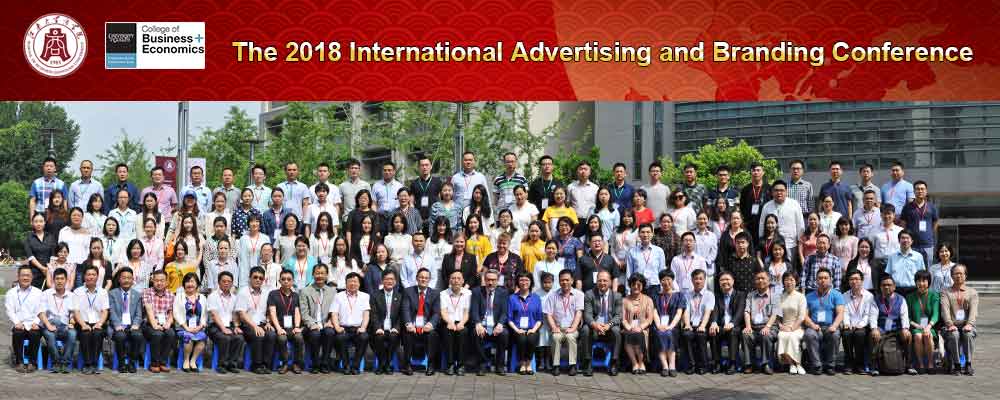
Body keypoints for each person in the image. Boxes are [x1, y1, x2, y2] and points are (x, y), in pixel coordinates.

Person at [803, 268, 845, 375]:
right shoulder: (809, 296)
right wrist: (812, 325)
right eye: (820, 278)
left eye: (826, 278)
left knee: (835, 335)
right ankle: (817, 365)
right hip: (814, 326)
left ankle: (830, 365)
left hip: (830, 326)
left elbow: (840, 313)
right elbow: (804, 315)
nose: (823, 280)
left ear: (830, 280)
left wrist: (834, 325)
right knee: (809, 334)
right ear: (816, 280)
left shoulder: (837, 295)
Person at [579, 270, 621, 376]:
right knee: (585, 329)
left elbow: (618, 316)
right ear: (596, 281)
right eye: (600, 280)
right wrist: (595, 325)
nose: (602, 283)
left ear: (610, 282)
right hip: (594, 329)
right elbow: (587, 315)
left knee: (616, 330)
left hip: (609, 329)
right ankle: (587, 362)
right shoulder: (589, 294)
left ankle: (614, 362)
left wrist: (608, 325)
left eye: (605, 281)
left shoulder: (617, 296)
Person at [544, 269, 585, 376]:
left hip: (572, 327)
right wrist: (554, 327)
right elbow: (548, 314)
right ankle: (555, 365)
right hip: (558, 327)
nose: (565, 282)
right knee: (555, 337)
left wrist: (573, 328)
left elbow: (579, 313)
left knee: (570, 337)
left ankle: (572, 365)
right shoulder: (552, 295)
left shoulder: (579, 295)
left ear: (572, 280)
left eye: (567, 280)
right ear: (559, 281)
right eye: (562, 280)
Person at [873, 275, 916, 375]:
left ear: (894, 286)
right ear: (880, 287)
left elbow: (904, 316)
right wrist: (874, 328)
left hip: (897, 329)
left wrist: (905, 328)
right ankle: (875, 367)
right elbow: (873, 316)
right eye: (884, 285)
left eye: (889, 285)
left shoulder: (901, 299)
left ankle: (909, 365)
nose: (886, 287)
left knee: (908, 335)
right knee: (873, 335)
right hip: (882, 328)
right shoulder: (875, 299)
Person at [236, 267, 276, 374]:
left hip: (263, 323)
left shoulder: (267, 292)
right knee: (258, 334)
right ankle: (256, 365)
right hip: (248, 324)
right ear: (250, 278)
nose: (258, 280)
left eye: (261, 278)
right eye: (255, 277)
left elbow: (269, 310)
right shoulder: (243, 292)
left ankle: (266, 365)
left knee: (271, 335)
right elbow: (242, 314)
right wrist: (255, 326)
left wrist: (268, 322)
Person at [401, 268, 440, 375]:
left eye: (426, 278)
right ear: (417, 278)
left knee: (432, 334)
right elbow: (405, 309)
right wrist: (408, 323)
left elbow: (436, 313)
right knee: (407, 333)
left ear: (429, 280)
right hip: (412, 326)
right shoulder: (408, 291)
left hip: (426, 326)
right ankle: (407, 364)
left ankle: (431, 365)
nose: (423, 279)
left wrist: (430, 324)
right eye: (421, 277)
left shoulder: (435, 293)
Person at [470, 269, 510, 375]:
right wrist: (478, 323)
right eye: (488, 280)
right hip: (482, 325)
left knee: (504, 334)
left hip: (496, 325)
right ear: (484, 279)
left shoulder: (503, 292)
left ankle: (499, 365)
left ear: (498, 280)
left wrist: (500, 324)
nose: (490, 283)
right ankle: (482, 364)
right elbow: (474, 310)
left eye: (493, 280)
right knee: (475, 333)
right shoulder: (477, 291)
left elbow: (505, 312)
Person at [940, 264, 977, 376]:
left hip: (966, 325)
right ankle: (956, 365)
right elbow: (945, 310)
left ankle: (968, 364)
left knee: (968, 334)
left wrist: (969, 324)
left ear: (965, 276)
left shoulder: (972, 292)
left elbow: (973, 311)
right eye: (956, 273)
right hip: (951, 325)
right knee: (954, 334)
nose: (958, 276)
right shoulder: (945, 292)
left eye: (961, 273)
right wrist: (950, 324)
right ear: (951, 276)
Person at [39, 267, 77, 373]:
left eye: (62, 279)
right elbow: (41, 312)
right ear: (53, 280)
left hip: (64, 326)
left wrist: (72, 322)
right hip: (49, 325)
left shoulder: (71, 295)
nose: (59, 281)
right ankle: (56, 362)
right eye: (57, 279)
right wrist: (48, 325)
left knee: (73, 334)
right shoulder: (46, 294)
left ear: (66, 280)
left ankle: (65, 363)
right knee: (50, 334)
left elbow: (73, 313)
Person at [331, 272, 370, 375]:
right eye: (350, 281)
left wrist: (363, 327)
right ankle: (346, 365)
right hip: (343, 328)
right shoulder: (338, 296)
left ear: (359, 283)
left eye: (355, 281)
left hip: (358, 328)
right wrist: (337, 327)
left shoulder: (365, 296)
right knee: (339, 338)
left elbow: (366, 313)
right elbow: (334, 313)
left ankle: (356, 366)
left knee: (364, 337)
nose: (353, 284)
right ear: (346, 283)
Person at [7, 265, 44, 373]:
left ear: (32, 277)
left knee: (35, 333)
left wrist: (36, 322)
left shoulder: (38, 292)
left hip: (33, 324)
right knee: (17, 333)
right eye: (23, 275)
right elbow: (10, 310)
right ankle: (19, 362)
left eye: (28, 275)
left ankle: (32, 363)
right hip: (19, 324)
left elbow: (41, 309)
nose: (25, 278)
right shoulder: (11, 293)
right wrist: (17, 322)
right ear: (18, 276)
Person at [299, 264, 336, 374]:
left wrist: (330, 321)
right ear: (313, 274)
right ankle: (315, 364)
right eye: (317, 273)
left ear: (327, 275)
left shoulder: (333, 291)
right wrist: (312, 324)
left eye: (322, 273)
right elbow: (304, 313)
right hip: (311, 325)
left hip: (326, 323)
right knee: (315, 334)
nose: (320, 276)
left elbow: (335, 311)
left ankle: (325, 363)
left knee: (330, 332)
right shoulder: (305, 291)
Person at [742, 270, 780, 374]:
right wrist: (748, 326)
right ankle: (749, 364)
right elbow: (747, 311)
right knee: (746, 334)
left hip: (770, 327)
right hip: (754, 327)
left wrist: (767, 327)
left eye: (763, 278)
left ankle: (765, 364)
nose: (760, 280)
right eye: (757, 278)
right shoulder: (750, 295)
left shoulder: (775, 296)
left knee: (765, 335)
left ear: (769, 281)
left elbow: (775, 314)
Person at [73, 265, 109, 374]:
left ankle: (94, 364)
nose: (91, 277)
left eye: (93, 274)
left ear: (97, 277)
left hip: (98, 322)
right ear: (84, 276)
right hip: (82, 322)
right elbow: (76, 311)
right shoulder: (78, 291)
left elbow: (105, 311)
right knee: (85, 334)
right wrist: (83, 324)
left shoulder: (103, 292)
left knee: (97, 334)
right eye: (88, 274)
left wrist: (100, 323)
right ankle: (87, 364)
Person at [268, 269, 305, 374]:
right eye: (283, 279)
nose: (286, 281)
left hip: (292, 327)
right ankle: (284, 363)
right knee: (282, 338)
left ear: (293, 281)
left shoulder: (296, 295)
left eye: (289, 279)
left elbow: (297, 312)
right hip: (279, 327)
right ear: (279, 281)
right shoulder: (273, 294)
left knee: (299, 337)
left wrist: (297, 326)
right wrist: (279, 328)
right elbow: (272, 313)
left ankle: (296, 364)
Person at [206, 271, 244, 374]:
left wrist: (236, 326)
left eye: (229, 281)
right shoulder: (212, 296)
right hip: (215, 326)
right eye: (224, 281)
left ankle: (232, 364)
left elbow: (235, 314)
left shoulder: (234, 298)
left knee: (239, 337)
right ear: (219, 282)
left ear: (232, 283)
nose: (226, 283)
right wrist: (223, 328)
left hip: (229, 326)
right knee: (225, 338)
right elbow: (214, 315)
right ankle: (221, 365)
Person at [841, 269, 877, 375]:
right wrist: (847, 323)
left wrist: (860, 325)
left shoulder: (869, 296)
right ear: (848, 281)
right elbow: (844, 312)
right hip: (849, 324)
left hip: (863, 325)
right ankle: (849, 363)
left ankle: (859, 364)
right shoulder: (844, 295)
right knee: (846, 334)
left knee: (859, 334)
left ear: (862, 280)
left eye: (857, 279)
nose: (854, 281)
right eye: (851, 279)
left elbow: (868, 314)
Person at [758, 180, 805, 260]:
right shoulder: (767, 206)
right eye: (776, 190)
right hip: (771, 246)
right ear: (772, 192)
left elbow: (800, 224)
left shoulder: (794, 204)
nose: (779, 193)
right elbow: (762, 225)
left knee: (789, 267)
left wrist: (800, 244)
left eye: (782, 190)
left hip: (790, 244)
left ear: (786, 192)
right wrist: (761, 242)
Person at [508, 272, 543, 375]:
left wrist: (533, 329)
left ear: (531, 282)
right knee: (522, 339)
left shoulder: (536, 298)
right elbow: (509, 319)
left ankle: (529, 362)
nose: (524, 282)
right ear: (518, 282)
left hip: (532, 328)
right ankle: (522, 363)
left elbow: (539, 319)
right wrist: (517, 330)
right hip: (517, 329)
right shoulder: (512, 298)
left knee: (531, 339)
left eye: (527, 280)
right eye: (521, 280)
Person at [710, 272, 746, 374]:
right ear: (719, 283)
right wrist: (714, 322)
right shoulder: (717, 296)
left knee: (733, 332)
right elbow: (715, 310)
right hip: (721, 325)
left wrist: (732, 323)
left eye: (727, 279)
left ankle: (732, 363)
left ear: (733, 281)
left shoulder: (740, 295)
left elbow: (740, 312)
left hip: (735, 326)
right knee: (713, 331)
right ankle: (717, 363)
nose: (725, 282)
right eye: (722, 280)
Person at [651, 269, 685, 377]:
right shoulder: (656, 296)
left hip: (673, 325)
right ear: (660, 281)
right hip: (659, 325)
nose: (666, 282)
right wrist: (658, 325)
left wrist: (670, 326)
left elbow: (679, 314)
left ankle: (672, 365)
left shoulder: (679, 295)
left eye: (668, 279)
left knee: (669, 333)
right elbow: (654, 312)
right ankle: (665, 365)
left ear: (672, 280)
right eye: (663, 280)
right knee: (660, 333)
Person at [142, 269, 176, 373]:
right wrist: (155, 325)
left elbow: (171, 313)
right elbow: (149, 310)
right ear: (152, 281)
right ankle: (154, 363)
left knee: (171, 333)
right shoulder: (147, 292)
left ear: (166, 282)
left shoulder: (171, 295)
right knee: (157, 334)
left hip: (165, 323)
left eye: (162, 280)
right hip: (149, 324)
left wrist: (168, 323)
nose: (159, 283)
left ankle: (163, 362)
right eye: (157, 280)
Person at [439, 270, 472, 375]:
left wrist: (461, 323)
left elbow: (467, 312)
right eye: (453, 278)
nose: (456, 281)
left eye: (458, 278)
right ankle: (450, 364)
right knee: (448, 332)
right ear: (449, 280)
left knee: (463, 332)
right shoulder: (443, 294)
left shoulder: (468, 293)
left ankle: (461, 365)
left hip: (463, 321)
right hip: (448, 321)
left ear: (463, 281)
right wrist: (450, 322)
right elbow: (443, 312)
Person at [369, 269, 402, 375]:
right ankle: (384, 363)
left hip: (393, 328)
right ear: (382, 281)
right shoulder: (375, 295)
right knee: (378, 337)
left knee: (393, 337)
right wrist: (378, 327)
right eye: (387, 279)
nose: (389, 281)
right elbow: (373, 314)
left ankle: (385, 363)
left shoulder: (400, 296)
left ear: (395, 281)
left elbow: (401, 315)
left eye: (392, 279)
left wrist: (396, 327)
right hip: (380, 327)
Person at [682, 269, 715, 374]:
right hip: (691, 323)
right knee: (686, 334)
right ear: (692, 280)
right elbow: (686, 311)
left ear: (705, 280)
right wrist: (687, 324)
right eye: (696, 279)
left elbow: (708, 312)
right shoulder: (687, 295)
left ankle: (703, 365)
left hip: (703, 323)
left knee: (701, 335)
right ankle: (691, 365)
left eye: (701, 279)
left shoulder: (709, 295)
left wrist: (703, 325)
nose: (698, 281)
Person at [173, 272, 207, 372]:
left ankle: (193, 360)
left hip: (198, 327)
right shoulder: (179, 296)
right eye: (187, 281)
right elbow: (176, 313)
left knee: (203, 337)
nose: (190, 284)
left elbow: (205, 315)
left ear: (197, 284)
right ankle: (186, 360)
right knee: (188, 336)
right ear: (184, 284)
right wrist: (186, 327)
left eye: (192, 281)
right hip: (183, 327)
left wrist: (200, 326)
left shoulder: (202, 298)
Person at [906, 270, 938, 374]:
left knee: (927, 335)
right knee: (918, 336)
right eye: (918, 281)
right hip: (916, 327)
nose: (921, 283)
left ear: (929, 282)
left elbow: (936, 314)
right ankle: (920, 364)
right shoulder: (910, 297)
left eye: (924, 281)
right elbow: (907, 317)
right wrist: (917, 325)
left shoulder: (934, 295)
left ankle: (930, 363)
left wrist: (928, 326)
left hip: (930, 327)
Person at [621, 273, 654, 374]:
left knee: (639, 335)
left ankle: (641, 362)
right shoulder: (624, 300)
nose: (636, 287)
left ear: (643, 286)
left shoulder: (648, 300)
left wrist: (640, 327)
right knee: (630, 335)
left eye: (639, 284)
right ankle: (634, 363)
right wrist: (629, 328)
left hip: (642, 329)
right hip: (629, 328)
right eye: (633, 284)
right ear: (630, 285)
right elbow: (623, 319)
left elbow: (650, 318)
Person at [901, 181, 938, 268]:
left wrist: (930, 233)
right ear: (914, 191)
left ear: (926, 191)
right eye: (917, 189)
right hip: (911, 245)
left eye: (922, 189)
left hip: (927, 245)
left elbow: (935, 222)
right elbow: (903, 223)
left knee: (927, 269)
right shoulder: (907, 207)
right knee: (911, 269)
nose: (920, 191)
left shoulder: (931, 207)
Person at [776, 271, 807, 375]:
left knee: (793, 337)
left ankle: (798, 364)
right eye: (786, 280)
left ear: (796, 281)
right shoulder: (780, 297)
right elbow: (776, 316)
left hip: (797, 327)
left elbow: (802, 316)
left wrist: (792, 328)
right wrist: (781, 326)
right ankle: (791, 364)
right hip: (784, 327)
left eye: (791, 280)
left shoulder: (801, 297)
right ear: (783, 282)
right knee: (781, 336)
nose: (789, 282)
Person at [626, 224, 666, 295]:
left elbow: (662, 271)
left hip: (654, 287)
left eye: (648, 232)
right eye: (643, 232)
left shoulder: (659, 251)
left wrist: (663, 288)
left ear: (652, 234)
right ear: (639, 234)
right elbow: (629, 272)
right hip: (637, 286)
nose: (645, 235)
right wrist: (628, 291)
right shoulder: (632, 251)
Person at [884, 230, 925, 296]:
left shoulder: (918, 256)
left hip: (913, 290)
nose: (905, 240)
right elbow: (889, 274)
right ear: (899, 241)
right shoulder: (892, 256)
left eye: (907, 238)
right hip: (896, 290)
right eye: (903, 238)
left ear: (912, 241)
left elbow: (921, 274)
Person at [740, 162, 772, 238]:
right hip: (749, 225)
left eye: (758, 170)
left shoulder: (769, 188)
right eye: (754, 170)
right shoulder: (746, 189)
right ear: (751, 172)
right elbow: (742, 207)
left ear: (763, 172)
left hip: (765, 224)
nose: (756, 172)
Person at [25, 212, 56, 289]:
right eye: (36, 221)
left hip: (49, 273)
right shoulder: (29, 238)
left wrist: (49, 269)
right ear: (32, 223)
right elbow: (30, 256)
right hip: (34, 273)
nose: (38, 224)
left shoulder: (50, 237)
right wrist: (43, 268)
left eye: (41, 221)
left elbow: (53, 255)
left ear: (45, 222)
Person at [237, 215, 268, 288]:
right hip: (246, 272)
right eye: (252, 221)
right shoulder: (243, 239)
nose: (254, 224)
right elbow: (241, 259)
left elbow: (268, 257)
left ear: (260, 223)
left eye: (257, 221)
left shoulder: (265, 238)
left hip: (260, 271)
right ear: (248, 224)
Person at [409, 156, 443, 220]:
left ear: (431, 166)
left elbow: (441, 200)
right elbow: (411, 202)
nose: (424, 167)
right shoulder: (414, 183)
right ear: (419, 167)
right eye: (422, 165)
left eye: (427, 165)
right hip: (418, 217)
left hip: (434, 216)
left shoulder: (438, 182)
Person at [693, 212, 718, 277]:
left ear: (708, 220)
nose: (702, 221)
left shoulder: (712, 236)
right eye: (700, 219)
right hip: (694, 267)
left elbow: (714, 252)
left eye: (704, 219)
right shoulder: (692, 235)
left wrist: (705, 262)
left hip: (708, 268)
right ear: (696, 220)